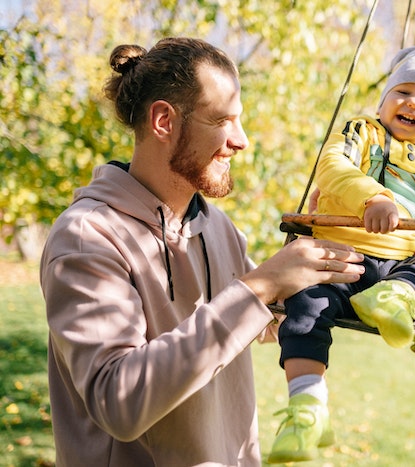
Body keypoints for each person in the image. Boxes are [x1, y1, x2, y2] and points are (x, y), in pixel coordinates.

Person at [39, 37, 366, 467]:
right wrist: (261, 285)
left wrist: (318, 272)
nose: (242, 141)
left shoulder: (218, 227)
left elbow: (255, 321)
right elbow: (119, 401)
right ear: (163, 121)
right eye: (222, 120)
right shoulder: (89, 237)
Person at [268, 42, 415, 463]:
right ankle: (307, 409)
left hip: (396, 271)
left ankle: (398, 296)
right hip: (342, 260)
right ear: (383, 101)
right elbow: (332, 167)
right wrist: (373, 198)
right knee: (305, 305)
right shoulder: (362, 133)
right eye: (404, 92)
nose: (414, 103)